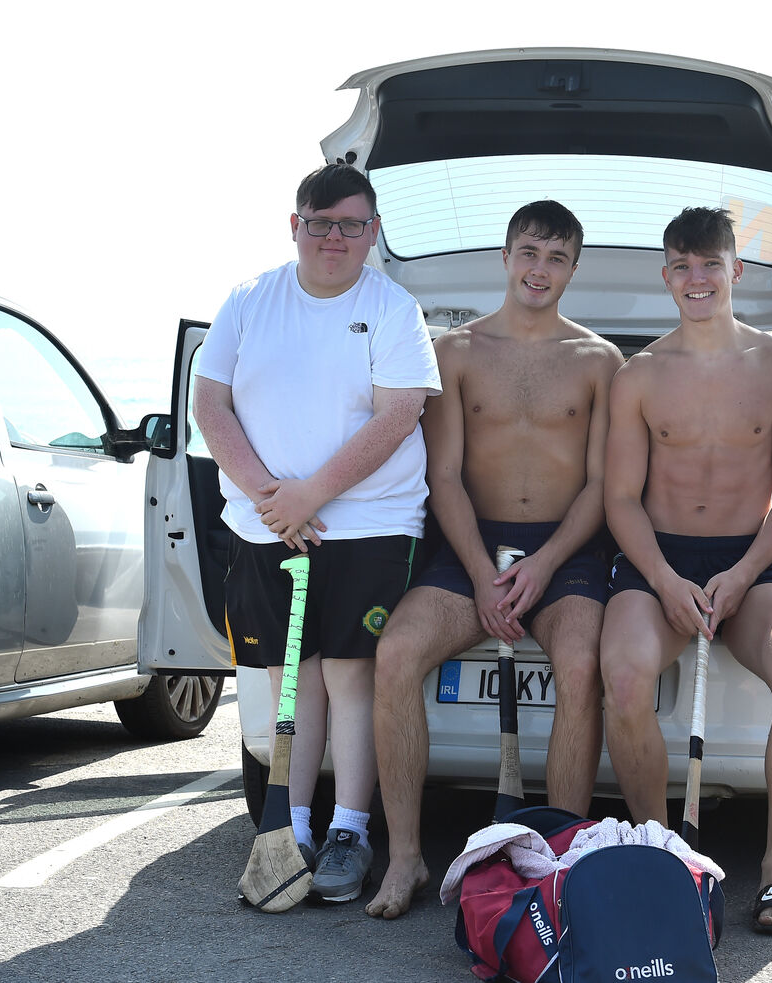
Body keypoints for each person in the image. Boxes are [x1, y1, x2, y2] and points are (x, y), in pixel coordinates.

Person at [365, 201, 624, 920]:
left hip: (564, 550)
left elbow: (603, 485)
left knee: (579, 663)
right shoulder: (453, 352)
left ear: (574, 268)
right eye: (530, 252)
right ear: (505, 256)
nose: (540, 270)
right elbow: (442, 476)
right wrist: (482, 574)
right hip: (470, 545)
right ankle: (409, 857)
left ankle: (561, 859)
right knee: (396, 653)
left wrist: (540, 565)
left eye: (557, 257)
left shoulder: (601, 361)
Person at [193, 163, 441, 904]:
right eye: (320, 221)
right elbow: (211, 404)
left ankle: (351, 830)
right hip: (267, 522)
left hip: (369, 524)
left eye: (352, 224)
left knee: (349, 674)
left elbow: (401, 415)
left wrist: (312, 494)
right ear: (294, 224)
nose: (335, 237)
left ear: (372, 234)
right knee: (288, 676)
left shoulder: (395, 308)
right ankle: (291, 825)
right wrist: (272, 495)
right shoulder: (247, 301)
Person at [599, 207, 772, 936]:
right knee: (626, 677)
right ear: (667, 275)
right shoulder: (639, 376)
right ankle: (664, 855)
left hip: (751, 564)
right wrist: (664, 578)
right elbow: (621, 499)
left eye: (710, 264)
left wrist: (743, 572)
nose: (697, 279)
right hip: (657, 561)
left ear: (737, 269)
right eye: (683, 266)